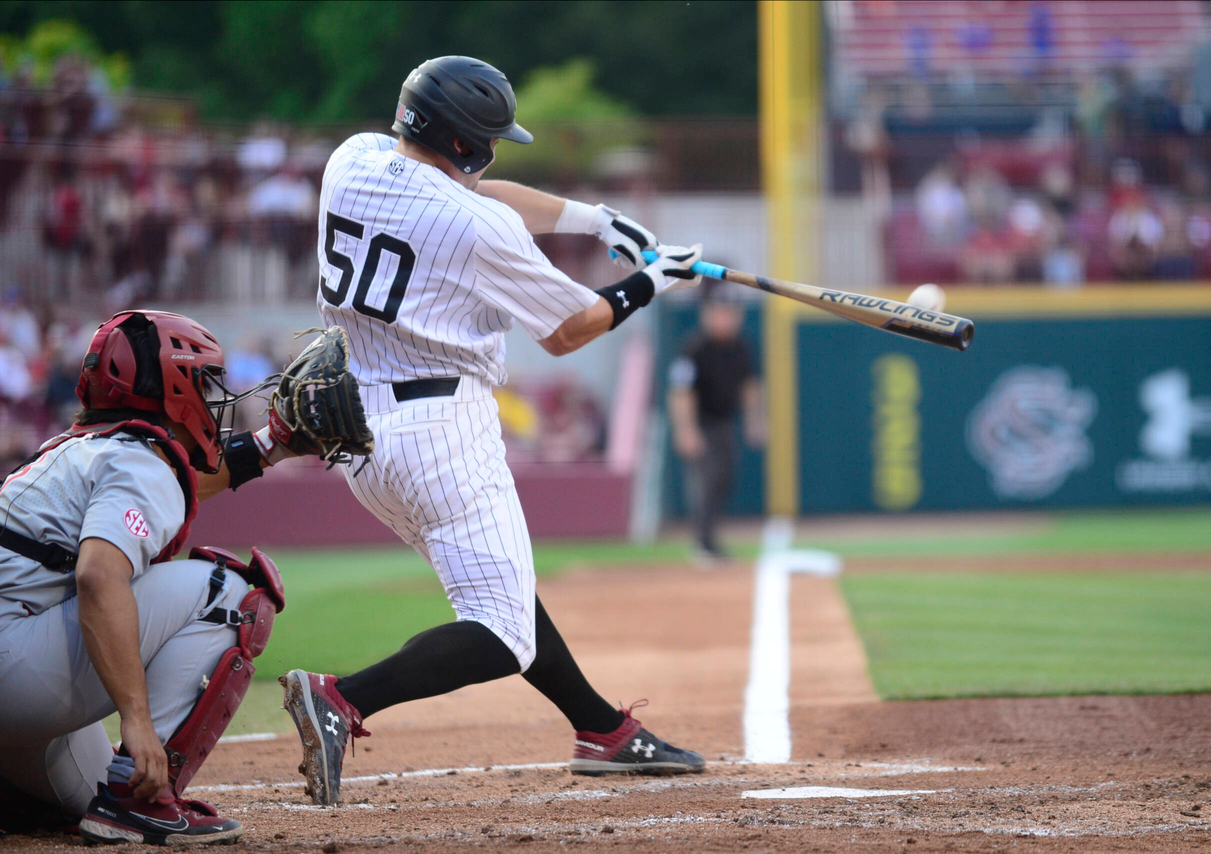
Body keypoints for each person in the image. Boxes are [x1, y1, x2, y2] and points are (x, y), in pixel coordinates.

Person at [279, 55, 706, 806]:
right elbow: (570, 328)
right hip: (441, 434)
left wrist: (595, 220)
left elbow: (471, 196)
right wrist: (650, 282)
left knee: (501, 590)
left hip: (357, 434)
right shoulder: (476, 227)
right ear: (466, 145)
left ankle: (600, 729)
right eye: (489, 139)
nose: (495, 151)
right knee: (502, 633)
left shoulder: (353, 160)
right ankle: (342, 698)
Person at [0, 310, 296, 844]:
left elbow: (181, 483)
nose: (211, 397)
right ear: (173, 387)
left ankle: (19, 793)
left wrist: (271, 443)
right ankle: (141, 805)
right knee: (227, 592)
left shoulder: (79, 448)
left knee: (83, 794)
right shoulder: (141, 460)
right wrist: (136, 721)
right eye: (202, 382)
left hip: (14, 665)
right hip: (12, 673)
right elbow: (97, 578)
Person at [667, 281, 764, 560]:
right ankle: (703, 543)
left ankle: (709, 540)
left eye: (730, 312)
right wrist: (686, 430)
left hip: (724, 424)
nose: (726, 318)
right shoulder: (694, 348)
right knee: (707, 481)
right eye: (720, 312)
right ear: (707, 315)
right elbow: (681, 392)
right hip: (702, 424)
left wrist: (754, 421)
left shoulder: (742, 346)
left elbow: (750, 386)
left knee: (726, 477)